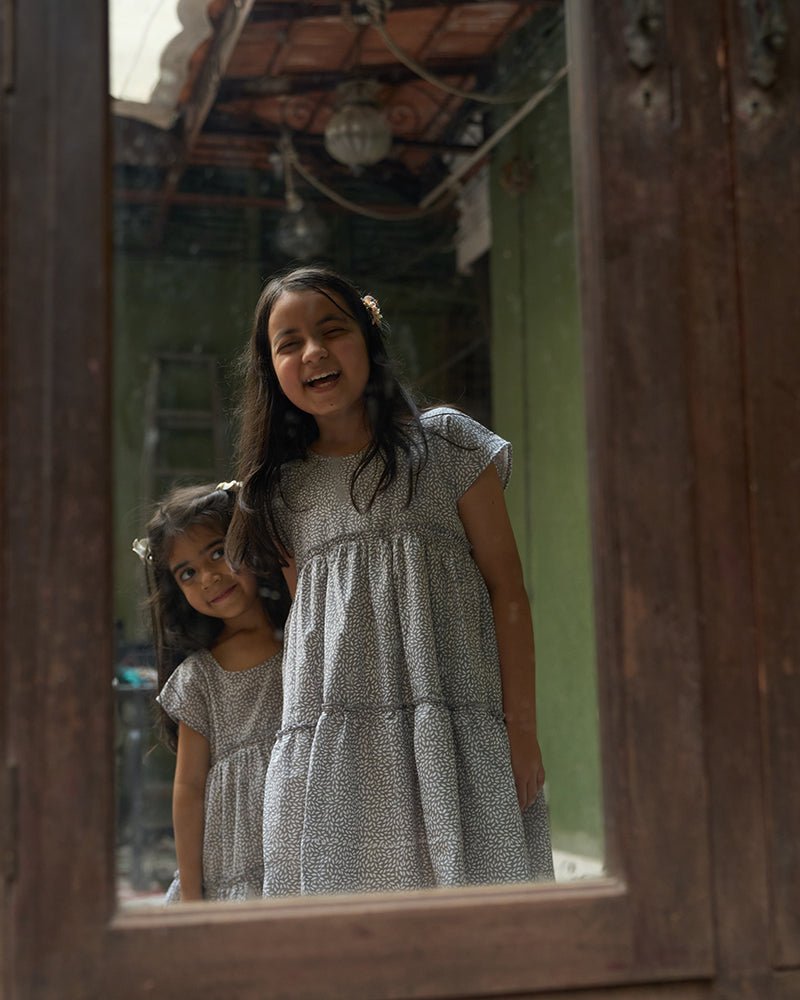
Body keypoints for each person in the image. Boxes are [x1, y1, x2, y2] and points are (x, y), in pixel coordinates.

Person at [227, 266, 554, 895]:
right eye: (288, 342)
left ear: (369, 339)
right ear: (270, 369)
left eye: (332, 330)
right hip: (343, 756)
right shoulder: (279, 491)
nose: (313, 351)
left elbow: (507, 591)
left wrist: (523, 730)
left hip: (455, 736)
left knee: (472, 918)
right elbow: (310, 631)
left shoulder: (448, 448)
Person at [133, 482, 290, 902]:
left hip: (305, 848)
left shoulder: (305, 638)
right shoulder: (200, 678)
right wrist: (191, 895)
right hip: (233, 867)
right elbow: (189, 789)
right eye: (187, 573)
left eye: (218, 551)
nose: (209, 577)